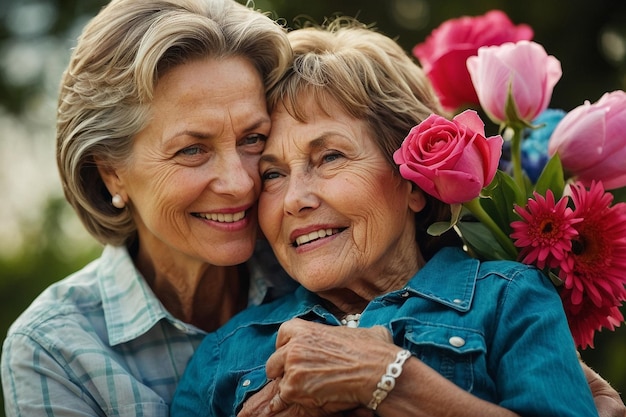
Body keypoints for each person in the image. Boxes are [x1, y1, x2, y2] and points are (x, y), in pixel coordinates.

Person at [170, 20, 614, 417]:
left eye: (329, 156)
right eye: (272, 173)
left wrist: (387, 378)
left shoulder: (507, 301)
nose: (294, 200)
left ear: (414, 184)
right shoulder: (223, 355)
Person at [0, 0, 296, 415]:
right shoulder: (56, 349)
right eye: (192, 149)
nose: (240, 182)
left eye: (253, 139)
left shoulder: (312, 273)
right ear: (110, 173)